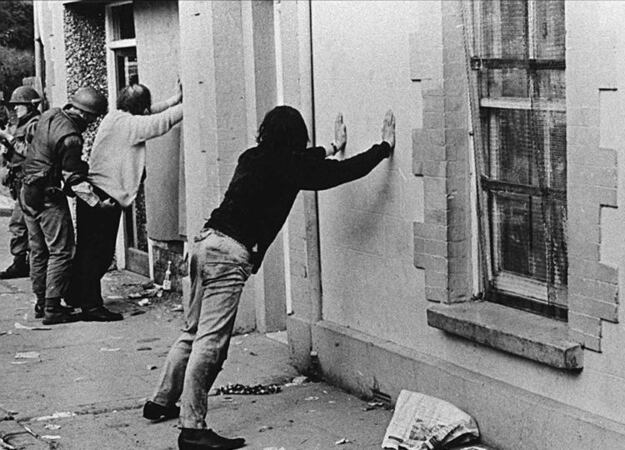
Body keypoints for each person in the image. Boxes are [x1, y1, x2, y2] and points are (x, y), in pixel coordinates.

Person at [145, 106, 396, 450]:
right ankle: (193, 429)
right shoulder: (293, 168)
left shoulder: (252, 157)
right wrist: (382, 147)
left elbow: (303, 162)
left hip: (205, 243)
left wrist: (330, 147)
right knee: (211, 342)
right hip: (229, 254)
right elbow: (342, 173)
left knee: (191, 331)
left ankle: (160, 402)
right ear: (297, 136)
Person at [64, 82, 183, 322]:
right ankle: (90, 306)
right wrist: (189, 102)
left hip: (95, 193)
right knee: (98, 254)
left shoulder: (115, 117)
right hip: (104, 196)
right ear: (141, 107)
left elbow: (150, 113)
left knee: (88, 251)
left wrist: (174, 99)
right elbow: (159, 122)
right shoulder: (130, 125)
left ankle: (75, 295)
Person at [20, 86, 108, 325]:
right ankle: (52, 308)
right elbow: (74, 179)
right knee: (62, 251)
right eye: (92, 118)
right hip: (48, 196)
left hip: (27, 192)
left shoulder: (50, 114)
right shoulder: (71, 138)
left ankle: (41, 301)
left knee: (38, 251)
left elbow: (31, 141)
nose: (91, 124)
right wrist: (97, 203)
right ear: (83, 113)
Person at [0, 86, 41, 283]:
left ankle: (22, 263)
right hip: (20, 181)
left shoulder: (35, 124)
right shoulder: (22, 124)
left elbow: (31, 152)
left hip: (29, 182)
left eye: (20, 105)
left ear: (30, 106)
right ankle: (22, 261)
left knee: (20, 223)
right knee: (20, 223)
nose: (15, 109)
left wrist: (9, 138)